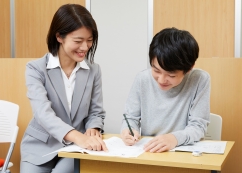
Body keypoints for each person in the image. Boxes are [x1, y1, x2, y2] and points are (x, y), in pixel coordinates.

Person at [20, 4, 107, 173]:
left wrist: (93, 128)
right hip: (40, 144)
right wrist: (79, 136)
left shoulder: (94, 70)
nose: (85, 47)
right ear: (59, 36)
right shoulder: (35, 69)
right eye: (78, 41)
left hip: (76, 147)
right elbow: (42, 113)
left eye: (89, 41)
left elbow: (96, 111)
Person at [120, 27, 210, 153]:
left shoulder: (199, 79)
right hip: (149, 151)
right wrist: (128, 130)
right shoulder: (142, 79)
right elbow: (130, 117)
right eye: (156, 71)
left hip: (182, 152)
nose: (161, 80)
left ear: (189, 68)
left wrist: (174, 139)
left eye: (171, 75)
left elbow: (198, 126)